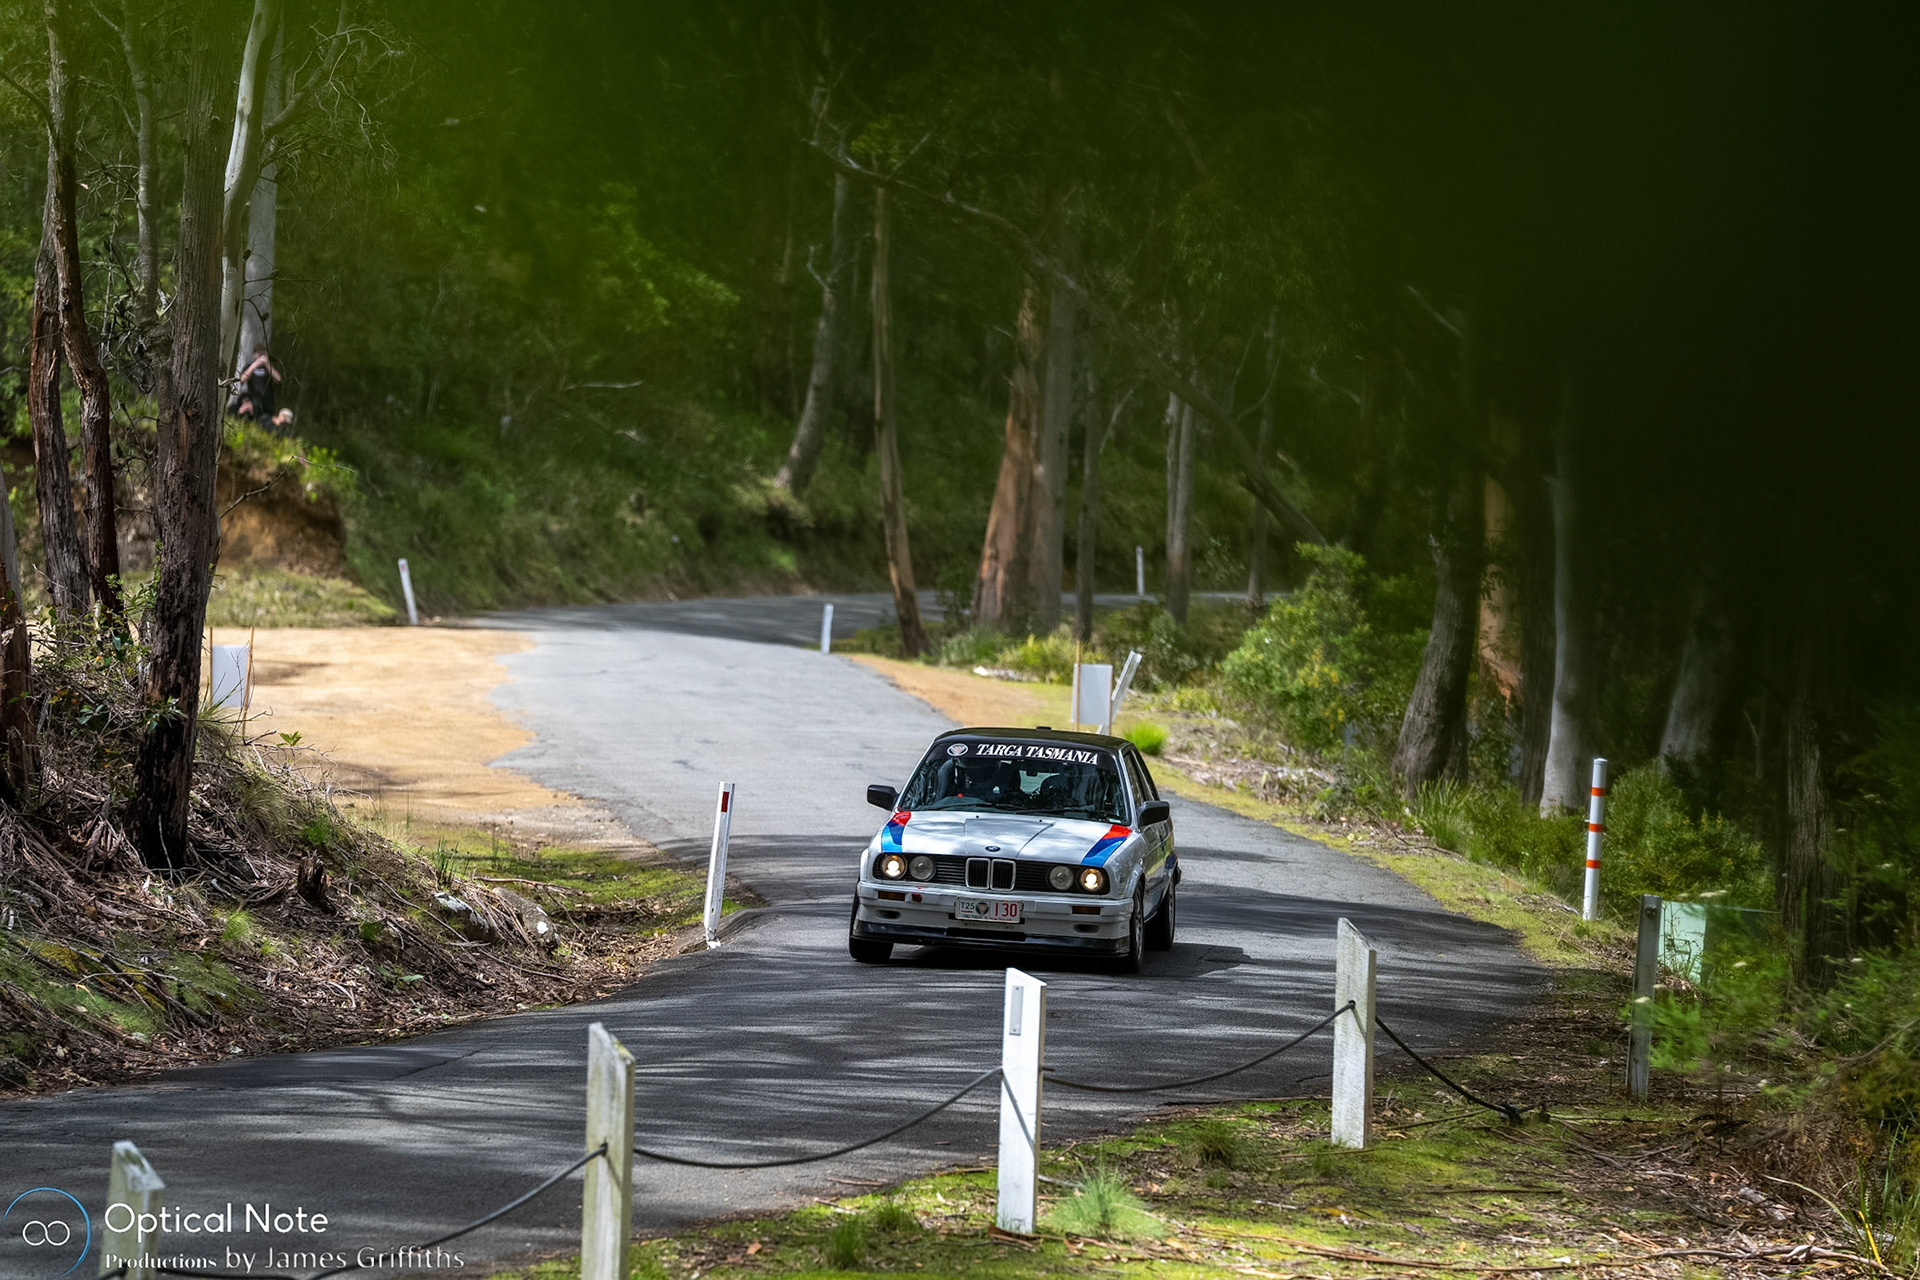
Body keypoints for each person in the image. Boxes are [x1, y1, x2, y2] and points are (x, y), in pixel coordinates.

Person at [231, 345, 282, 430]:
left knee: (266, 421)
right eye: (259, 353)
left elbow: (278, 379)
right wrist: (255, 365)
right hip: (254, 399)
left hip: (267, 400)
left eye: (263, 353)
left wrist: (267, 364)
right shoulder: (249, 366)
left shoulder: (269, 368)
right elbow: (242, 379)